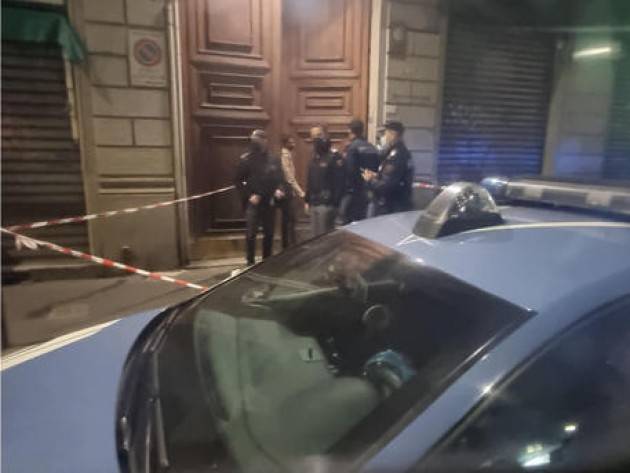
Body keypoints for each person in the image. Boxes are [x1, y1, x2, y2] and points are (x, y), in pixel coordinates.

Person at [234, 129, 285, 266]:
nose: (256, 142)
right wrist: (249, 195)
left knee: (269, 233)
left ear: (265, 141)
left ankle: (266, 262)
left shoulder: (273, 159)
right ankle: (250, 262)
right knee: (251, 234)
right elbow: (238, 181)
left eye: (258, 140)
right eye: (254, 140)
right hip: (254, 202)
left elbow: (280, 179)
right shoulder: (246, 159)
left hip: (269, 201)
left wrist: (279, 189)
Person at [363, 121, 413, 217]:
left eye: (386, 133)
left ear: (393, 134)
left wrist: (370, 180)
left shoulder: (398, 155)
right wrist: (377, 176)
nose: (385, 137)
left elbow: (387, 185)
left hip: (393, 207)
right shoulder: (395, 152)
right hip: (394, 205)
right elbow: (392, 176)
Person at [304, 125, 343, 237]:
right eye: (313, 137)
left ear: (325, 135)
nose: (316, 139)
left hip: (326, 204)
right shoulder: (314, 158)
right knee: (314, 238)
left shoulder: (334, 157)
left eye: (319, 136)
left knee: (324, 238)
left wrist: (334, 202)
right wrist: (307, 200)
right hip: (314, 202)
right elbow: (310, 180)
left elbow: (339, 182)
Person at [339, 118, 380, 224]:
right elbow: (377, 167)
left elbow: (350, 170)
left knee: (348, 222)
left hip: (355, 193)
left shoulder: (352, 148)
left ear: (350, 131)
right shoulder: (372, 147)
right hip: (370, 188)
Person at [279, 134, 304, 248]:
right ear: (285, 144)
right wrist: (300, 192)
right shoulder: (284, 156)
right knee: (289, 220)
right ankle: (289, 245)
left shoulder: (288, 155)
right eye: (291, 142)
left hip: (289, 191)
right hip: (287, 191)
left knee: (289, 220)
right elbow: (289, 177)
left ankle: (289, 244)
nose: (293, 144)